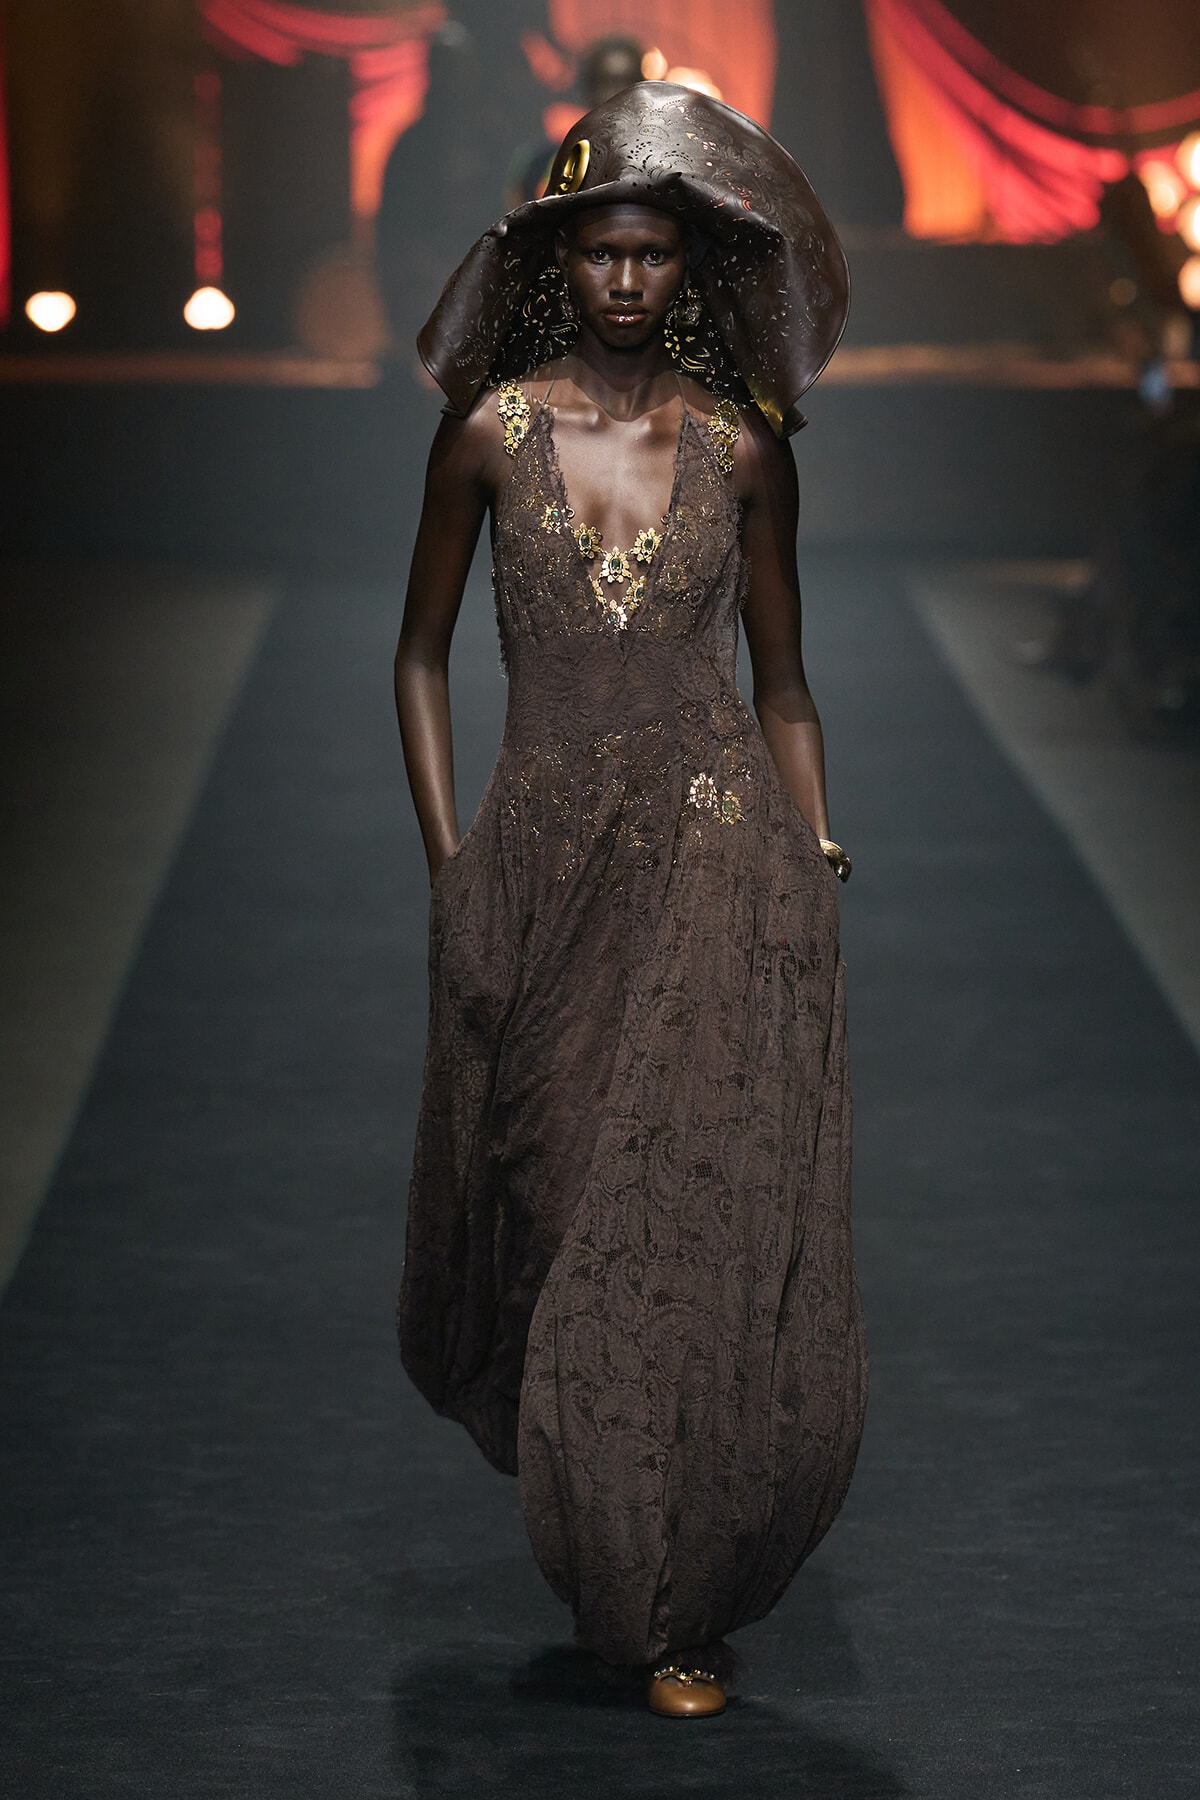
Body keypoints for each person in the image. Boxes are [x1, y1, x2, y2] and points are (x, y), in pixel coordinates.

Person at [395, 82, 866, 1719]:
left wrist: (812, 845)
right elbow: (417, 655)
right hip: (540, 862)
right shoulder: (488, 434)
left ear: (691, 272)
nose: (624, 282)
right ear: (558, 264)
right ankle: (613, 1528)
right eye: (600, 253)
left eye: (654, 255)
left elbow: (787, 684)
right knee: (549, 1188)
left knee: (672, 1222)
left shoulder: (745, 449)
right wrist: (454, 864)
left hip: (717, 856)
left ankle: (652, 1598)